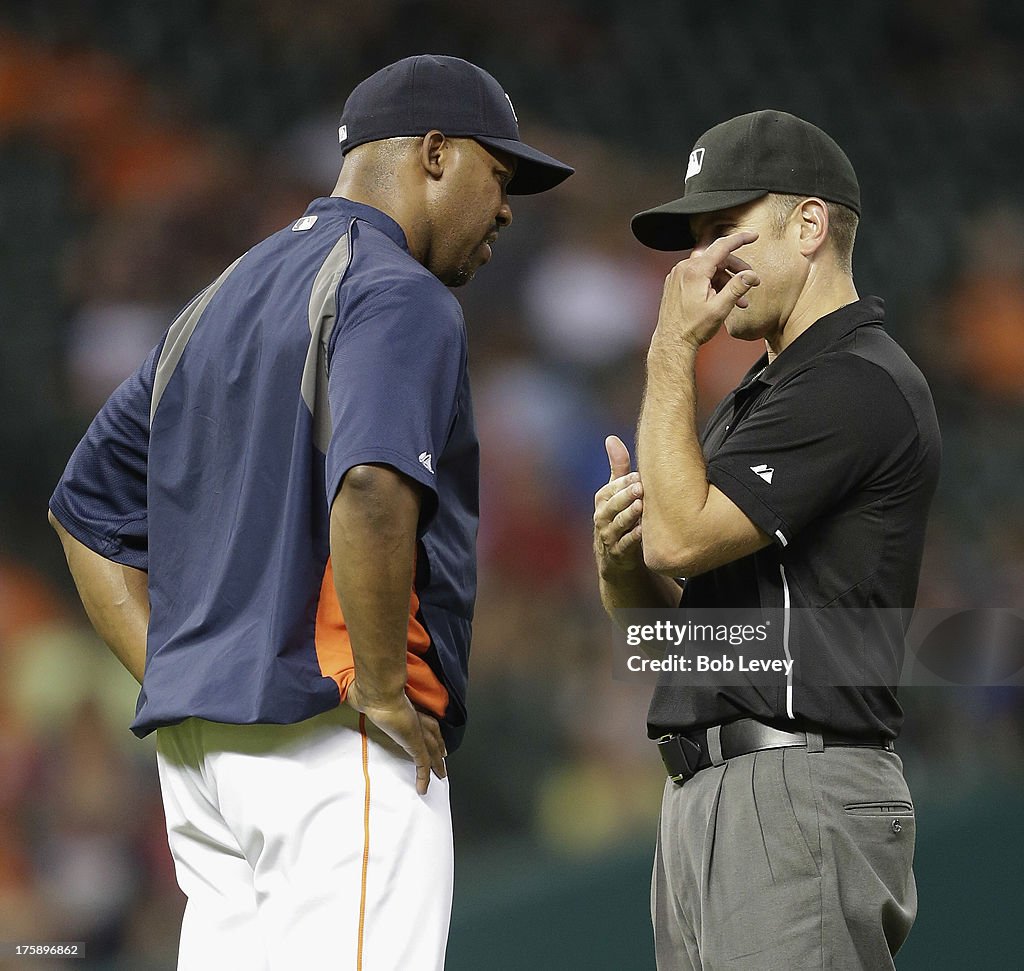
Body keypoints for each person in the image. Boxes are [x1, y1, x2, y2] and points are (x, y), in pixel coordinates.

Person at [49, 54, 572, 971]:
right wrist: (375, 685)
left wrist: (177, 671)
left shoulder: (219, 300)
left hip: (204, 763)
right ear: (436, 154)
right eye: (499, 174)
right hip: (334, 735)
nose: (506, 208)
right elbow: (371, 484)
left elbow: (83, 512)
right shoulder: (397, 290)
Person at [594, 110, 940, 970]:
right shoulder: (774, 390)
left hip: (796, 793)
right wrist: (620, 566)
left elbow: (679, 541)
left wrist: (672, 344)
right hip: (719, 796)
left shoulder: (854, 381)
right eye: (697, 239)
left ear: (811, 225)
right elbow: (669, 635)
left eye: (726, 231)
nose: (701, 263)